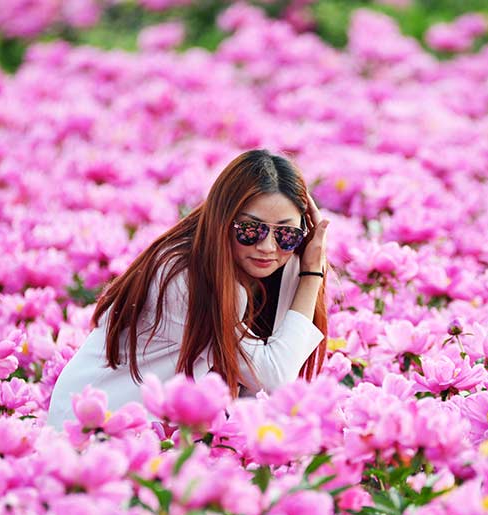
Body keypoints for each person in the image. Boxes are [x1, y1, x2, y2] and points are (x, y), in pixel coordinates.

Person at [46, 149, 329, 429]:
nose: (268, 247)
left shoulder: (246, 270)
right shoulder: (185, 278)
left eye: (286, 234)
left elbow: (260, 392)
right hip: (89, 428)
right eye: (250, 229)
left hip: (133, 427)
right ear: (222, 221)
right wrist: (312, 274)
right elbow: (272, 378)